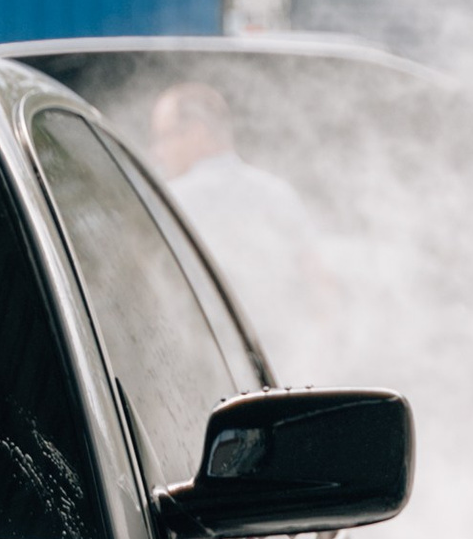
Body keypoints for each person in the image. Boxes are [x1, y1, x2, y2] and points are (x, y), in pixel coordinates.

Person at [146, 81, 348, 387]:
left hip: (198, 385)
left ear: (197, 132)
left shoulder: (167, 202)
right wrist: (316, 367)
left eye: (164, 137)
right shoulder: (278, 194)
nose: (158, 153)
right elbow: (321, 290)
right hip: (283, 379)